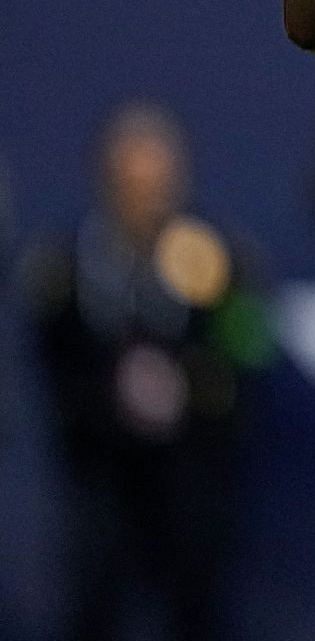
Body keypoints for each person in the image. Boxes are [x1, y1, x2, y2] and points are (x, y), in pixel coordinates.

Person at [24, 102, 269, 641]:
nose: (147, 197)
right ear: (106, 182)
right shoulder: (64, 269)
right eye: (132, 183)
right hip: (102, 472)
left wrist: (191, 392)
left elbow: (247, 357)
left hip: (190, 470)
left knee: (198, 595)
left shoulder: (224, 261)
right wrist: (110, 404)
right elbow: (54, 369)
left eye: (159, 182)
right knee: (95, 592)